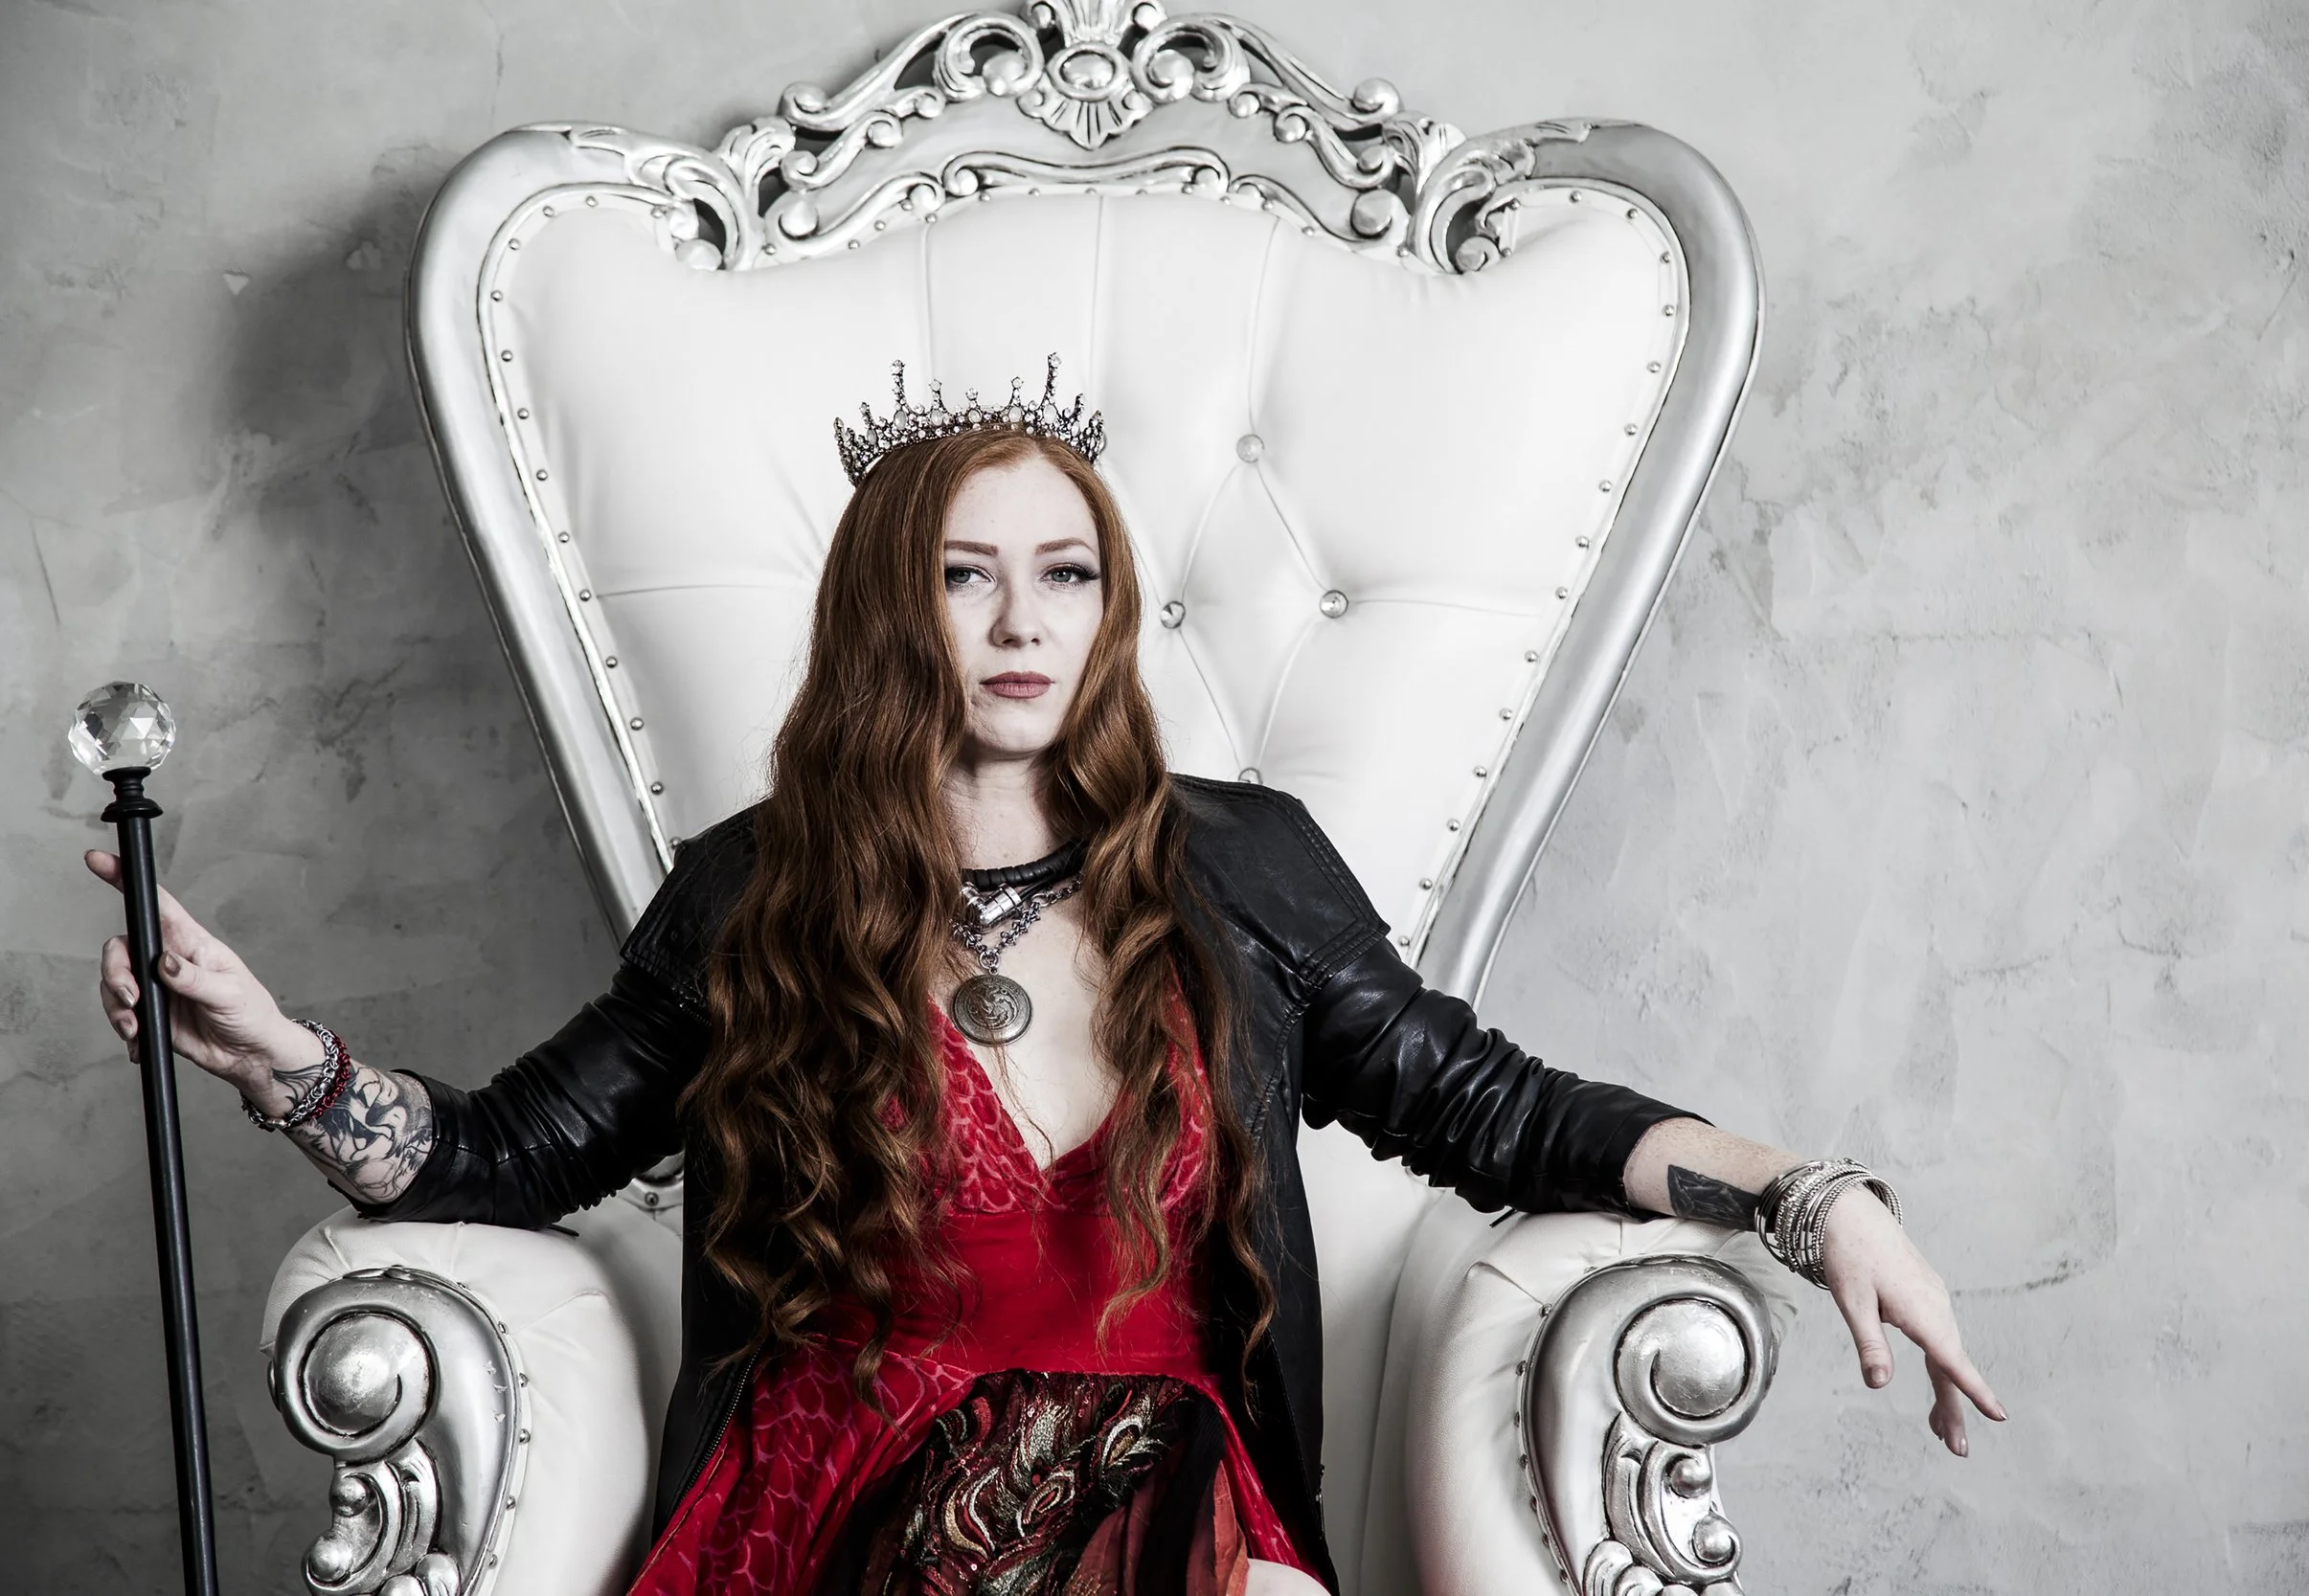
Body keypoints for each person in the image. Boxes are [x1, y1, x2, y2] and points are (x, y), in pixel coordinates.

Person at [88, 362, 2003, 1596]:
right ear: (884, 605)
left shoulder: (1236, 868)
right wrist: (281, 1056)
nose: (1023, 621)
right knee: (1140, 1449)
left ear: (1112, 605)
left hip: (1175, 1533)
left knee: (1157, 1444)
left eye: (1068, 573)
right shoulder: (755, 894)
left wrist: (1804, 1195)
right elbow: (504, 1151)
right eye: (967, 573)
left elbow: (1487, 1103)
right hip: (843, 1507)